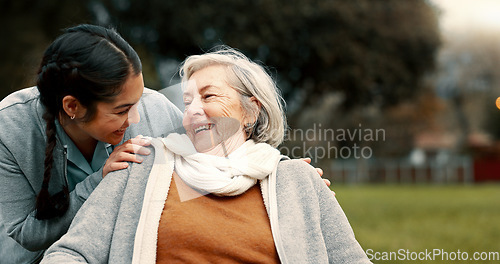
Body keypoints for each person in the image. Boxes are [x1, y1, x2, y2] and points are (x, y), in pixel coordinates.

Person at [41, 47, 371, 263]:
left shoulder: (295, 179)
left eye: (208, 96)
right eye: (186, 103)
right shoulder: (142, 165)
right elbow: (73, 253)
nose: (193, 111)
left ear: (250, 111)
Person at [0, 24, 183, 264]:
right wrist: (101, 180)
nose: (136, 119)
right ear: (72, 107)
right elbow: (26, 234)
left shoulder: (156, 109)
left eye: (138, 101)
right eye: (122, 111)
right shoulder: (10, 128)